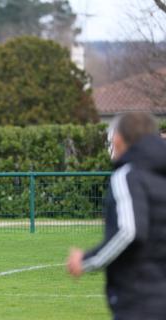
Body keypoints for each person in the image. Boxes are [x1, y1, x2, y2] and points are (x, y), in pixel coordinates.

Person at [67, 112, 166, 319]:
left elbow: (129, 231)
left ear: (119, 139)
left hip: (140, 302)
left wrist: (85, 261)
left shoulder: (128, 176)